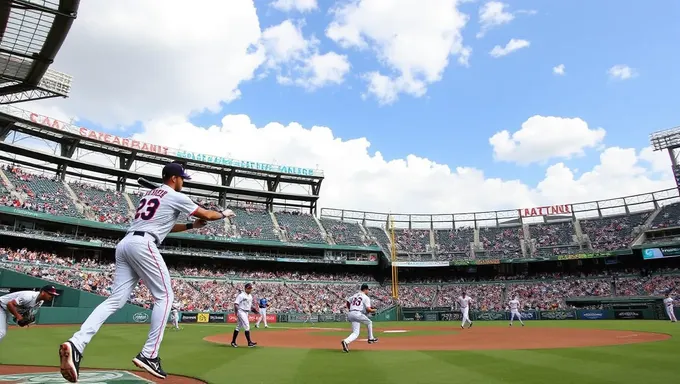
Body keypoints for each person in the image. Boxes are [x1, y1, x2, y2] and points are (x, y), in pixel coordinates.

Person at [58, 162, 235, 383]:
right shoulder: (174, 195)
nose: (183, 182)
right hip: (143, 244)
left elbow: (166, 226)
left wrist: (191, 227)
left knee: (114, 301)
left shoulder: (150, 194)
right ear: (173, 178)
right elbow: (208, 214)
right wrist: (224, 213)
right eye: (182, 179)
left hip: (126, 243)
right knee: (166, 295)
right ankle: (149, 354)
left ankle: (77, 343)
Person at [341, 283, 377, 353]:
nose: (368, 291)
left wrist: (350, 309)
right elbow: (368, 309)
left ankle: (345, 341)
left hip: (351, 313)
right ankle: (371, 338)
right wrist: (375, 310)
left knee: (355, 333)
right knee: (369, 322)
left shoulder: (355, 295)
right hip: (357, 313)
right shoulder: (366, 297)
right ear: (365, 289)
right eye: (368, 290)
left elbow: (348, 302)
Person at [231, 283, 257, 347]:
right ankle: (249, 342)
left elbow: (249, 306)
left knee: (238, 326)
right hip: (241, 311)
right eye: (248, 288)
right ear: (245, 289)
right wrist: (236, 312)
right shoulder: (241, 295)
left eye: (250, 288)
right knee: (247, 326)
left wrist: (254, 310)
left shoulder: (250, 296)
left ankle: (233, 342)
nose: (250, 290)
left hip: (246, 312)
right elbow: (236, 304)